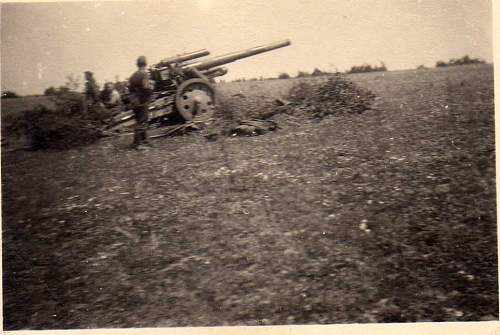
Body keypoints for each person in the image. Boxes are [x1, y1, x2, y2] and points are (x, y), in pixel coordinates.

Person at [128, 56, 153, 149]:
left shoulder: (133, 75)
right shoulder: (144, 74)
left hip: (134, 101)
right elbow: (146, 86)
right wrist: (151, 92)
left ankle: (145, 140)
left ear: (137, 64)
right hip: (142, 101)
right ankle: (137, 144)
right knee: (142, 121)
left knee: (140, 120)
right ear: (145, 64)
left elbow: (129, 88)